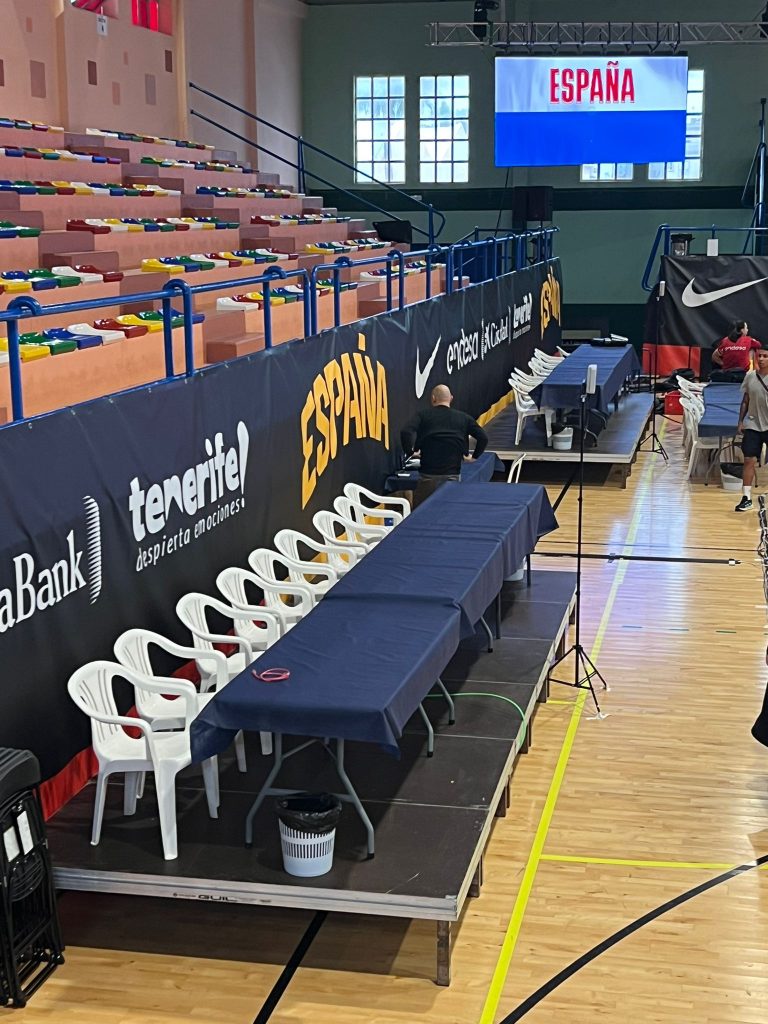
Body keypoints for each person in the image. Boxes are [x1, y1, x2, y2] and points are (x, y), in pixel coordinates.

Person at [400, 384, 488, 508]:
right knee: (449, 510)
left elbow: (406, 432)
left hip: (428, 474)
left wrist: (410, 452)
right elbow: (483, 437)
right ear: (451, 398)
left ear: (433, 398)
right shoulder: (463, 418)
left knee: (422, 511)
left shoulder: (423, 415)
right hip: (452, 474)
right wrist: (474, 456)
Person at [735, 347, 768, 512]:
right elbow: (745, 401)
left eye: (765, 356)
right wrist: (741, 421)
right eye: (759, 356)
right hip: (753, 425)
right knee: (748, 460)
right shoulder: (750, 376)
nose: (761, 359)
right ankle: (746, 498)